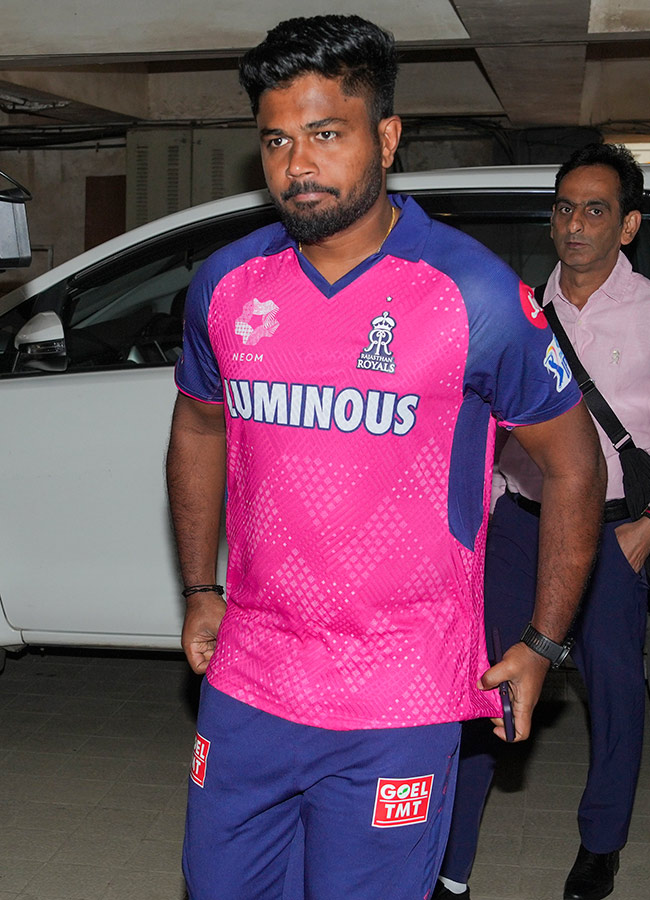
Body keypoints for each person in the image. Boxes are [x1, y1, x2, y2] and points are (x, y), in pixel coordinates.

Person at [166, 15, 605, 900]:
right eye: (278, 140)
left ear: (387, 137)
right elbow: (199, 427)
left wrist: (543, 642)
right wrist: (201, 590)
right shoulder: (227, 284)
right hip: (252, 679)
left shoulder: (471, 293)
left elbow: (575, 464)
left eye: (326, 134)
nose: (298, 165)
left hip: (397, 698)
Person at [434, 142, 650, 900]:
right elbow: (483, 423)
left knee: (616, 693)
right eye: (564, 208)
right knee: (485, 687)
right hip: (519, 527)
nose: (575, 223)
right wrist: (488, 509)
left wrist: (645, 531)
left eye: (596, 209)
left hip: (616, 531)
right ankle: (450, 866)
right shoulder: (520, 310)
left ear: (627, 226)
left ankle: (601, 846)